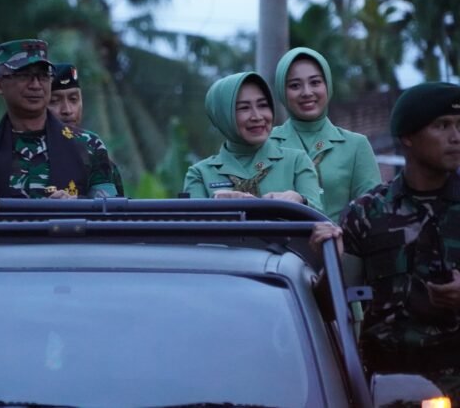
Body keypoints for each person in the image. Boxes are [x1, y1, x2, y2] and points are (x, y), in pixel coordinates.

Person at [311, 82, 460, 401]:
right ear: (408, 137)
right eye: (442, 126)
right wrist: (332, 259)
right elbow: (328, 306)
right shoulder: (367, 213)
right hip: (386, 391)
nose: (456, 137)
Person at [0, 39, 117, 212]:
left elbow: (108, 206)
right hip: (3, 238)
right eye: (23, 75)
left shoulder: (88, 144)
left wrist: (75, 203)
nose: (35, 85)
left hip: (66, 237)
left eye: (43, 76)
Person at [182, 71, 322, 210]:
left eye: (262, 105)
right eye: (244, 108)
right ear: (223, 116)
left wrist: (300, 200)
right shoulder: (200, 173)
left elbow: (322, 220)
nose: (257, 116)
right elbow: (192, 226)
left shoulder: (296, 161)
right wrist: (215, 204)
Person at [270, 47, 381, 222]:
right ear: (282, 92)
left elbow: (373, 213)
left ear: (327, 85)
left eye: (315, 82)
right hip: (276, 248)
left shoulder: (355, 145)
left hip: (337, 247)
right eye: (295, 85)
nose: (307, 92)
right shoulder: (265, 144)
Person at [48, 63, 125, 196]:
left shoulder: (94, 151)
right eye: (54, 101)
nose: (67, 110)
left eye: (73, 99)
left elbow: (110, 211)